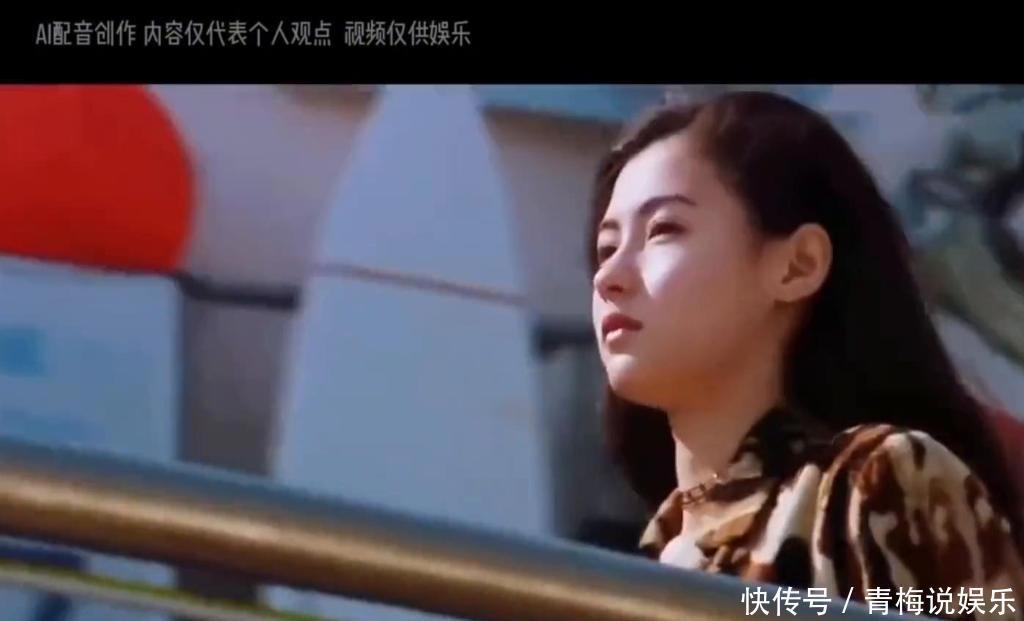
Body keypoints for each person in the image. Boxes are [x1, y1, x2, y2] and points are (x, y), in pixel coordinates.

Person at [589, 91, 1024, 619]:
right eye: (605, 248)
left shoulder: (875, 485)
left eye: (664, 230)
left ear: (798, 265)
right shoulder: (648, 561)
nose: (609, 277)